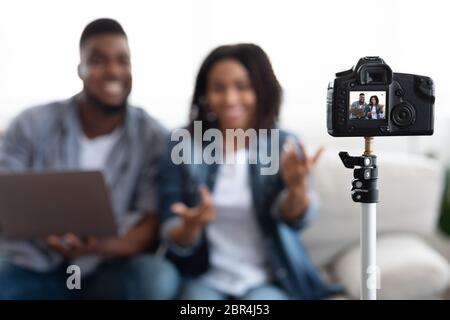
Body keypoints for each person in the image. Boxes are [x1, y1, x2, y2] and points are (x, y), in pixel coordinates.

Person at [0, 18, 179, 300]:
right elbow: (5, 195)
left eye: (123, 60)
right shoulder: (31, 124)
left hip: (107, 269)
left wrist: (99, 246)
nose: (113, 71)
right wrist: (43, 232)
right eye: (98, 60)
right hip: (35, 264)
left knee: (157, 279)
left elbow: (150, 222)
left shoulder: (153, 136)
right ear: (80, 69)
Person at [159, 43, 341, 300]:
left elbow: (293, 219)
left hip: (266, 280)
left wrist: (298, 190)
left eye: (242, 87)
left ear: (262, 90)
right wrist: (190, 227)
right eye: (218, 88)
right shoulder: (182, 144)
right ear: (205, 93)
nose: (230, 98)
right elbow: (170, 226)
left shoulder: (284, 145)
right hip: (204, 278)